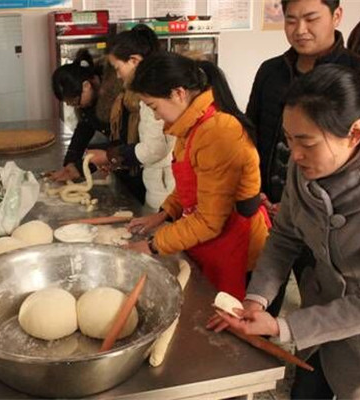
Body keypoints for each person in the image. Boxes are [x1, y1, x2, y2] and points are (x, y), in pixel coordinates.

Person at [208, 64, 360, 399]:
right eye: (289, 139)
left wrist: (282, 326)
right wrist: (256, 299)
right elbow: (284, 236)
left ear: (355, 133)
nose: (295, 154)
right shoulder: (305, 168)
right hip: (320, 321)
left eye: (307, 142)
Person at [245, 0, 360, 316]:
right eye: (291, 20)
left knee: (330, 298)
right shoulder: (271, 72)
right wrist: (256, 189)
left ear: (336, 15)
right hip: (275, 205)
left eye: (311, 18)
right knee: (275, 293)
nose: (300, 30)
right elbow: (251, 131)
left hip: (341, 220)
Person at [125, 52, 270, 300]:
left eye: (154, 107)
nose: (157, 117)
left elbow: (209, 221)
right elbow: (190, 186)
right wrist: (163, 214)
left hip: (238, 250)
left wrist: (153, 245)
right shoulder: (191, 126)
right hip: (213, 241)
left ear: (178, 93)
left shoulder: (218, 131)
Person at [87, 24, 175, 209]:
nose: (118, 76)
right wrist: (117, 159)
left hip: (165, 188)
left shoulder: (153, 93)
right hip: (157, 183)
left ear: (134, 61)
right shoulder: (139, 94)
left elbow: (155, 148)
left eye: (118, 68)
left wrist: (110, 156)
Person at [49, 49, 122, 182]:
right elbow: (84, 129)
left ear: (86, 86)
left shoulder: (117, 97)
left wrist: (83, 167)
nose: (75, 106)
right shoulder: (88, 100)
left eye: (75, 102)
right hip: (120, 158)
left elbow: (125, 142)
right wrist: (70, 162)